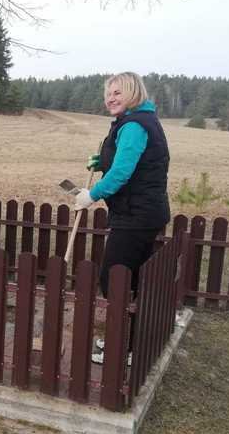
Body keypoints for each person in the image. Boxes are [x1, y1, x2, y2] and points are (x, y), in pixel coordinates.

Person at [73, 72, 171, 363]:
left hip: (136, 215)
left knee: (114, 277)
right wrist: (101, 160)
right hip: (144, 212)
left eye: (117, 92)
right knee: (135, 278)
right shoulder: (137, 120)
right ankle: (133, 342)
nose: (110, 98)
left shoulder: (135, 125)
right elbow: (124, 160)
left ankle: (122, 347)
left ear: (133, 93)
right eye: (108, 93)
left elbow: (122, 172)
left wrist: (92, 195)